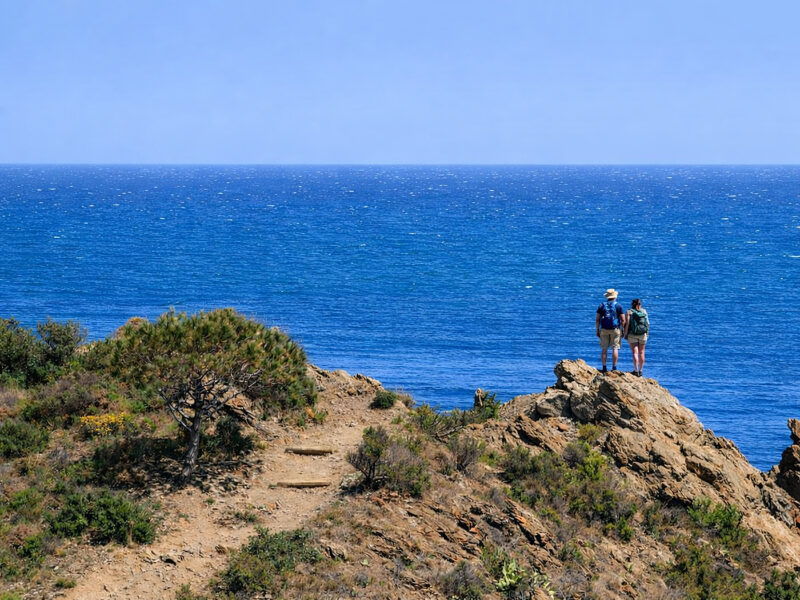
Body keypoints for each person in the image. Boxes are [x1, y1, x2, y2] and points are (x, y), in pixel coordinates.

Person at [595, 289, 626, 374]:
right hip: (615, 329)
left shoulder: (601, 305)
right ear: (615, 297)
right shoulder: (618, 305)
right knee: (615, 348)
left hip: (604, 329)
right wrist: (622, 330)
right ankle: (614, 368)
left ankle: (604, 367)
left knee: (604, 349)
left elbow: (597, 319)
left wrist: (597, 330)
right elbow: (623, 320)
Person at [624, 298, 649, 377]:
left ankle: (636, 370)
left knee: (635, 352)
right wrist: (647, 333)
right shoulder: (644, 311)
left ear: (632, 304)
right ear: (639, 304)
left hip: (632, 334)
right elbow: (647, 323)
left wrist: (625, 333)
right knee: (642, 352)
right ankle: (641, 371)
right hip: (643, 334)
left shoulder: (629, 312)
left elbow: (627, 324)